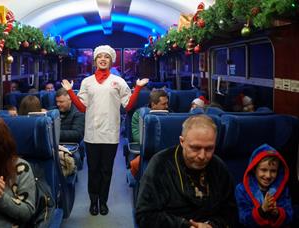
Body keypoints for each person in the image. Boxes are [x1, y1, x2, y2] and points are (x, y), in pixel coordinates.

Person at [61, 45, 149, 216]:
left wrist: (137, 88)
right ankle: (93, 202)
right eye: (99, 56)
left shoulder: (119, 81)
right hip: (92, 133)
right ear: (95, 61)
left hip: (110, 133)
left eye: (106, 57)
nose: (103, 59)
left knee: (106, 171)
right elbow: (81, 107)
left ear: (111, 60)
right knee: (93, 170)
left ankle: (103, 202)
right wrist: (71, 92)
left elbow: (128, 105)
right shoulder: (87, 82)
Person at [136, 115, 237, 227]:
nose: (202, 156)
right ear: (182, 142)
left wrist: (212, 225)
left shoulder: (219, 167)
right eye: (195, 148)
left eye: (209, 148)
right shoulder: (160, 165)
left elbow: (231, 213)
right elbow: (145, 216)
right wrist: (186, 226)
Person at [235, 144, 293, 227]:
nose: (268, 175)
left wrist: (276, 213)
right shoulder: (242, 190)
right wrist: (262, 210)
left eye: (273, 171)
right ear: (254, 169)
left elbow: (289, 215)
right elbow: (243, 218)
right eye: (263, 170)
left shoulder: (282, 189)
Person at [129, 89, 169, 177]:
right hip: (150, 151)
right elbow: (138, 138)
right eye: (163, 104)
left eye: (167, 103)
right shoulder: (139, 115)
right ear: (153, 105)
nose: (167, 106)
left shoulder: (169, 114)